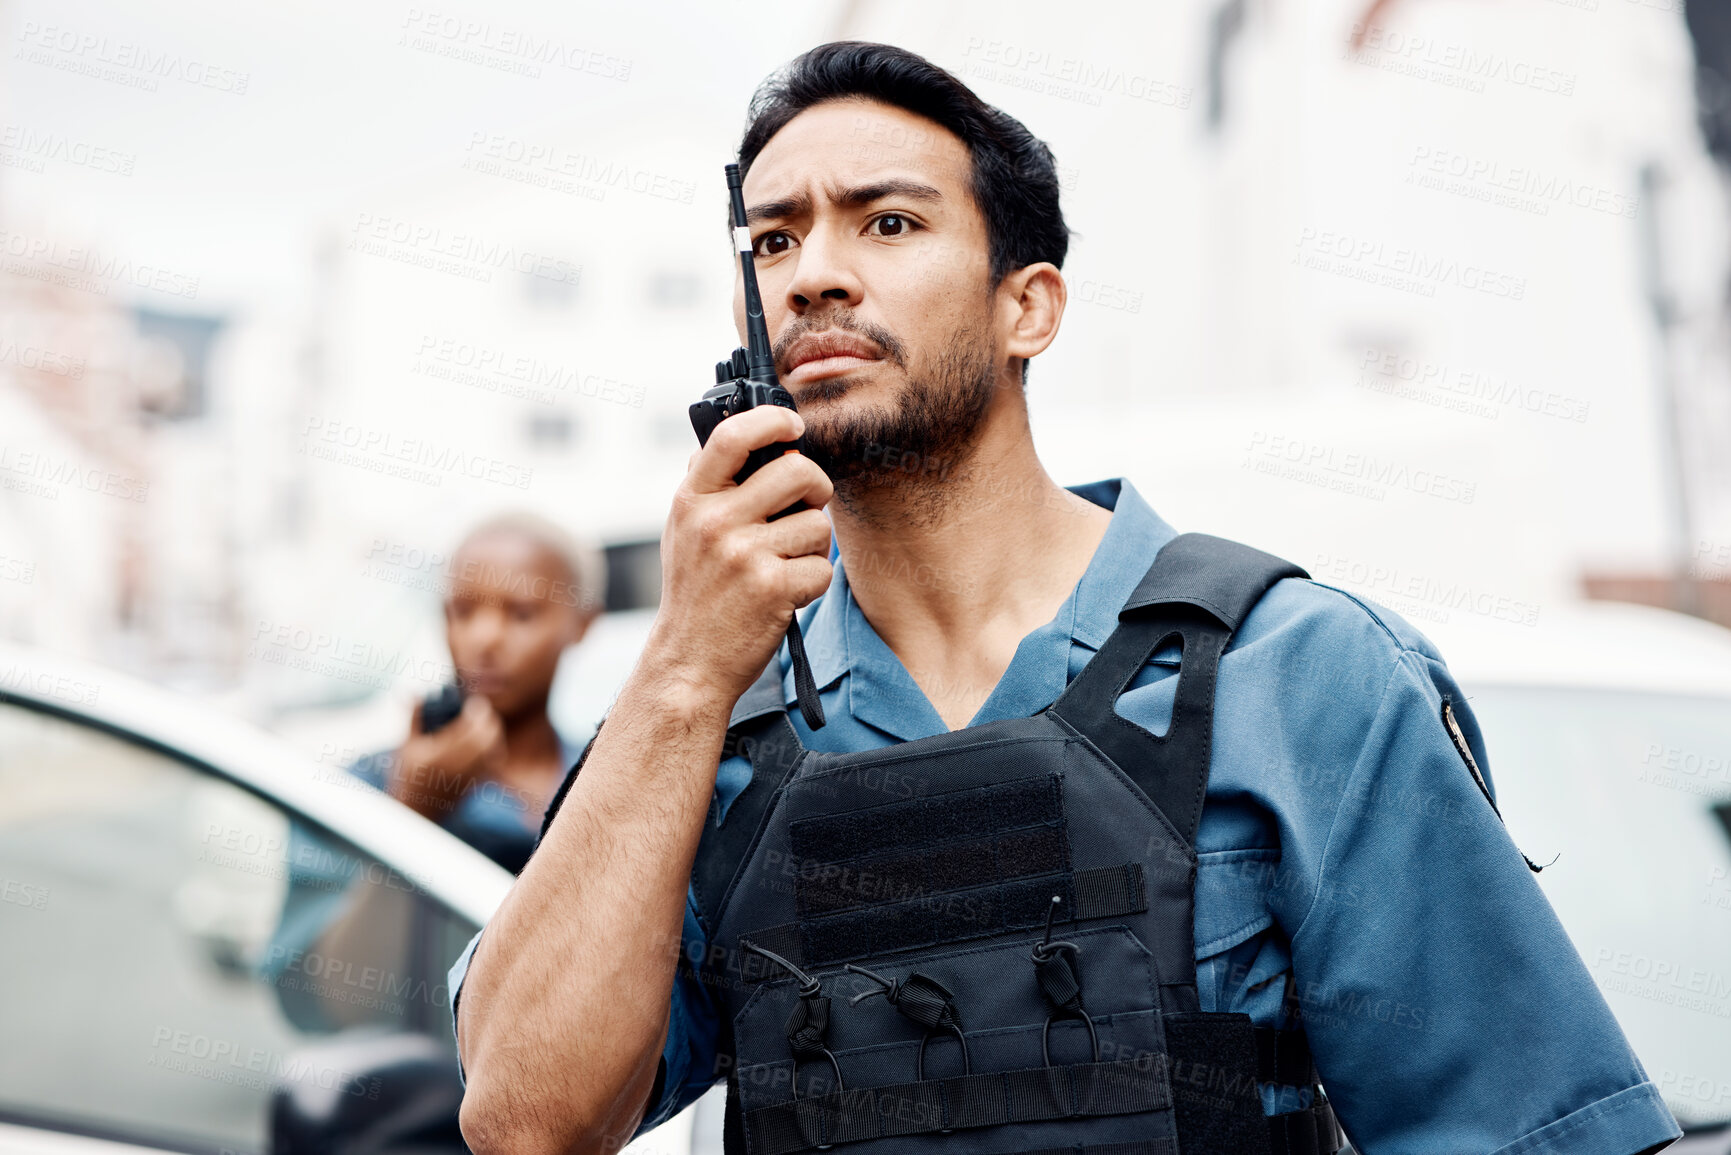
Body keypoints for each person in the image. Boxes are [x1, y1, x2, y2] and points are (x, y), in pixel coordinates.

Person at [448, 42, 1681, 1155]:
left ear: (1027, 305)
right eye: (772, 241)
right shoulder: (699, 724)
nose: (814, 272)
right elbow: (521, 1121)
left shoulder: (1297, 677)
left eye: (885, 224)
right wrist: (678, 673)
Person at [352, 511, 605, 875]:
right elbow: (332, 930)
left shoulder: (605, 778)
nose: (484, 638)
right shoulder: (366, 786)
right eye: (463, 611)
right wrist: (413, 806)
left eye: (521, 614)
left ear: (583, 624)